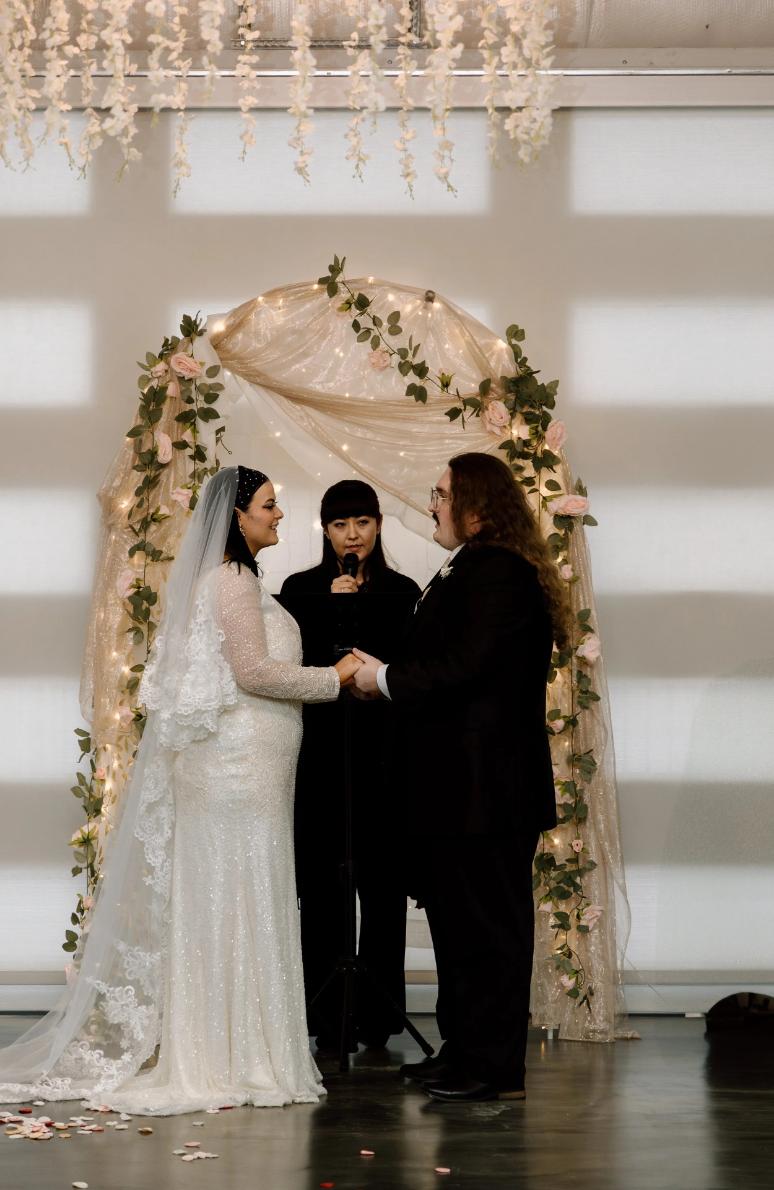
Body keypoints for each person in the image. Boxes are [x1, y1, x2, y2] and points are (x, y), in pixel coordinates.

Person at [0, 465, 360, 1115]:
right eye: (270, 506)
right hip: (235, 774)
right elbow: (252, 673)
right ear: (239, 517)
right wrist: (333, 678)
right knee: (239, 896)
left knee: (244, 897)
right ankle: (235, 1057)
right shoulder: (232, 579)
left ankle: (238, 1048)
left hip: (249, 773)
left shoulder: (236, 580)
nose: (280, 516)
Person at [351, 452, 571, 1102]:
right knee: (456, 929)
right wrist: (386, 669)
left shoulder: (500, 571)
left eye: (441, 493)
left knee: (490, 935)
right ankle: (464, 1050)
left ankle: (495, 1069)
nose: (431, 503)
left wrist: (382, 678)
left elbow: (466, 666)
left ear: (476, 504)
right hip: (458, 793)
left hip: (488, 794)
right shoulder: (472, 568)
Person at [280, 481, 421, 1050]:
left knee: (382, 890)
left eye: (362, 521)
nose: (353, 533)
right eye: (340, 524)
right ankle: (326, 1017)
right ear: (325, 531)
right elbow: (290, 668)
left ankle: (379, 1018)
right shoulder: (299, 590)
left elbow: (411, 672)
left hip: (384, 758)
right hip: (320, 756)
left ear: (379, 524)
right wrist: (331, 610)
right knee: (322, 887)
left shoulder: (404, 591)